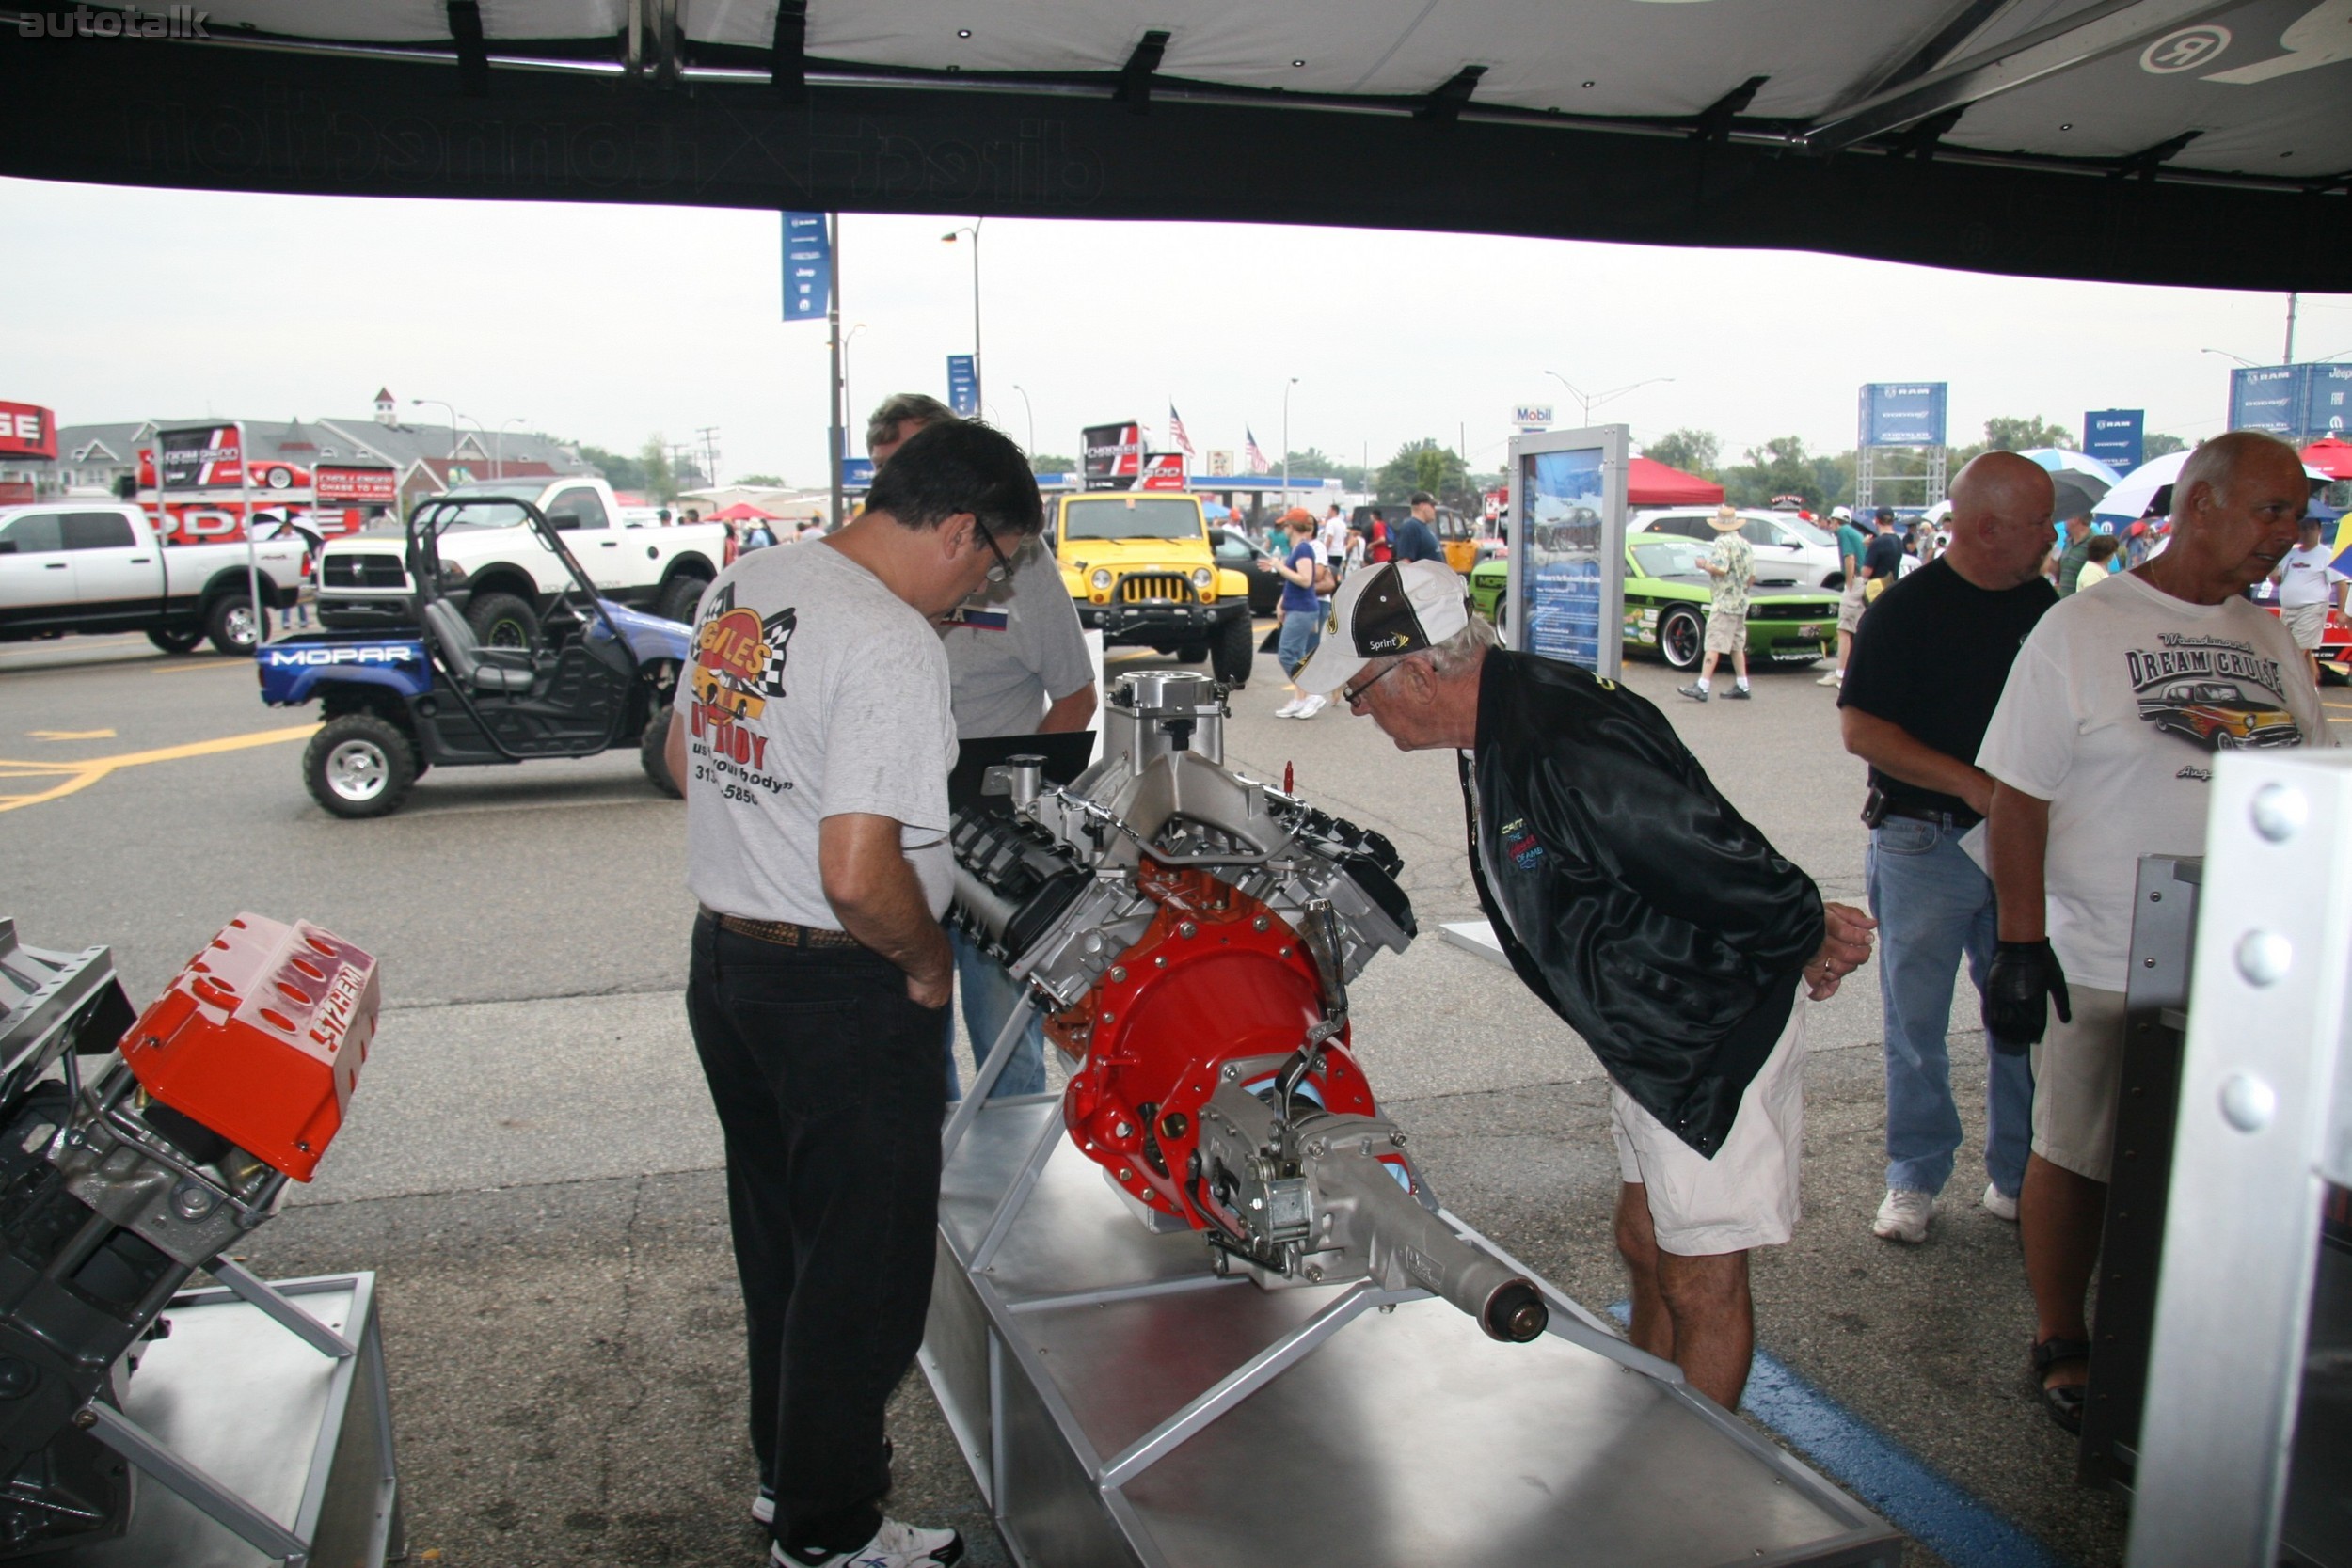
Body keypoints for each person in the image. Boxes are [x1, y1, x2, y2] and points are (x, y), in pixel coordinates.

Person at [1298, 561, 1876, 1407]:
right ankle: (1649, 1415)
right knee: (1644, 1241)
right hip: (1646, 1028)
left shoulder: (1560, 734)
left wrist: (1804, 932)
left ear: (1420, 670)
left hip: (1703, 1036)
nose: (1360, 711)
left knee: (1699, 1276)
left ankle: (1691, 1484)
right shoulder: (1497, 722)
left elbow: (1705, 850)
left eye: (1360, 690)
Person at [664, 418, 1043, 1568]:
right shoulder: (886, 643)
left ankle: (794, 1484)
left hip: (729, 965)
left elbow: (686, 760)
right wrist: (927, 961)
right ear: (960, 527)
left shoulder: (749, 577)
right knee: (866, 1278)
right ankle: (828, 1539)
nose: (986, 583)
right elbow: (856, 872)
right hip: (839, 984)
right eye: (996, 559)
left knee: (782, 1244)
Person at [1979, 430, 2327, 1433]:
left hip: (2244, 961)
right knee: (2079, 1150)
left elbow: (2310, 778)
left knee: (2208, 1159)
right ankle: (2061, 1333)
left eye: (2294, 513)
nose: (2287, 532)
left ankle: (2179, 1336)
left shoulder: (2267, 637)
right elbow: (2016, 797)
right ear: (2199, 504)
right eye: (2270, 509)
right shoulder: (2081, 628)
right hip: (2102, 945)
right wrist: (2017, 939)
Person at [1838, 452, 2057, 1246]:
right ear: (1988, 527)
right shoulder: (1905, 610)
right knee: (1916, 1025)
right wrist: (1972, 786)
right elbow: (1862, 730)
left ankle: (2019, 1173)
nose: (2052, 536)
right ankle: (1915, 1175)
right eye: (2039, 522)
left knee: (2021, 1015)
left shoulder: (2048, 610)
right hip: (1923, 839)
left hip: (2025, 844)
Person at [868, 392, 1097, 1102]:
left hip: (990, 842)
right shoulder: (862, 573)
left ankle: (1008, 1197)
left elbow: (1076, 696)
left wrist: (1017, 811)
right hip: (891, 841)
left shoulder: (1019, 563)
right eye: (884, 474)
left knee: (1006, 1048)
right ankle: (927, 1184)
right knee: (908, 1042)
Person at [1679, 503, 1755, 703]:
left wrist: (1705, 564)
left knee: (1714, 642)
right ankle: (1742, 683)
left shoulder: (1722, 543)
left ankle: (1703, 685)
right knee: (1736, 644)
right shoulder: (1745, 544)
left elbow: (1721, 568)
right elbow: (1752, 576)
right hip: (1740, 600)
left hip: (1724, 601)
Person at [1263, 509, 1328, 718]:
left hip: (1303, 609)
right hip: (1298, 608)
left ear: (1293, 527)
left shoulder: (1303, 550)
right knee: (1298, 655)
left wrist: (1279, 567)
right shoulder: (1299, 549)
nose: (1283, 530)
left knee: (1287, 653)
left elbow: (1305, 579)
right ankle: (1301, 699)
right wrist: (1282, 603)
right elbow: (1295, 582)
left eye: (1286, 526)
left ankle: (1311, 695)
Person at [2271, 514, 2344, 685]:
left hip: (2312, 609)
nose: (2306, 531)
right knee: (2303, 651)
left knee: (2295, 652)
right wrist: (2272, 570)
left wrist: (2341, 611)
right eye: (2303, 527)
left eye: (2311, 527)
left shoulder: (2327, 555)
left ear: (2319, 530)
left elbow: (2341, 584)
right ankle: (2312, 691)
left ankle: (2285, 689)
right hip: (2288, 610)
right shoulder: (2290, 554)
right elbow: (2277, 580)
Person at [1820, 508, 1872, 686]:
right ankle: (1850, 671)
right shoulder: (1855, 532)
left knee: (1844, 628)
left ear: (1836, 521)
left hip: (1856, 581)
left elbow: (1850, 558)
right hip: (1864, 581)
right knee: (1857, 627)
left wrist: (1848, 583)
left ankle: (1841, 674)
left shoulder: (1843, 532)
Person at [1860, 508, 1905, 603]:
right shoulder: (1898, 541)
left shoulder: (1878, 542)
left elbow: (1866, 573)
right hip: (1891, 587)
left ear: (1876, 520)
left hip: (1877, 590)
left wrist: (1866, 549)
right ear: (1892, 521)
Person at [1391, 492, 1445, 564]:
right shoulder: (1410, 527)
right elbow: (1405, 562)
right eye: (1432, 506)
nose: (1434, 510)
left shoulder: (1425, 527)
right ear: (1422, 506)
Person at [2050, 513, 2094, 595]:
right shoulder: (2068, 542)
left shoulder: (2093, 543)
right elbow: (2060, 574)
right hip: (2063, 602)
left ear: (2076, 519)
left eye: (2066, 518)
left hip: (2080, 603)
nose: (2064, 522)